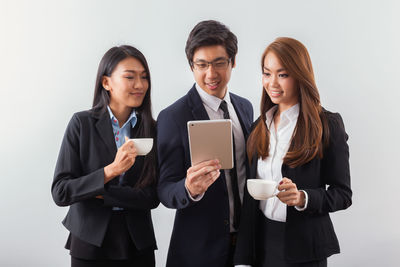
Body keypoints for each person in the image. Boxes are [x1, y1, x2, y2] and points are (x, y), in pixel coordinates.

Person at [234, 37, 352, 267]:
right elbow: (250, 200)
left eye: (283, 74)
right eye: (267, 73)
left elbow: (343, 194)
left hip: (305, 250)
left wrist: (302, 198)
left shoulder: (327, 125)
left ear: (300, 75)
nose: (272, 83)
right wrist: (242, 259)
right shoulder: (259, 126)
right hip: (262, 245)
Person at [157, 20, 253, 267]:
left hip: (247, 246)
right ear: (191, 66)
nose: (211, 74)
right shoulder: (173, 116)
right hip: (198, 250)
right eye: (202, 65)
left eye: (219, 63)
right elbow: (165, 189)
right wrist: (189, 188)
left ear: (233, 61)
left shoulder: (245, 108)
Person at [52, 45, 159, 267]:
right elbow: (61, 192)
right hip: (89, 243)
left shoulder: (152, 129)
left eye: (144, 77)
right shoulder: (81, 124)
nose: (140, 85)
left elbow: (151, 196)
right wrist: (111, 171)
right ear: (106, 82)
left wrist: (100, 193)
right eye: (130, 77)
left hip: (138, 243)